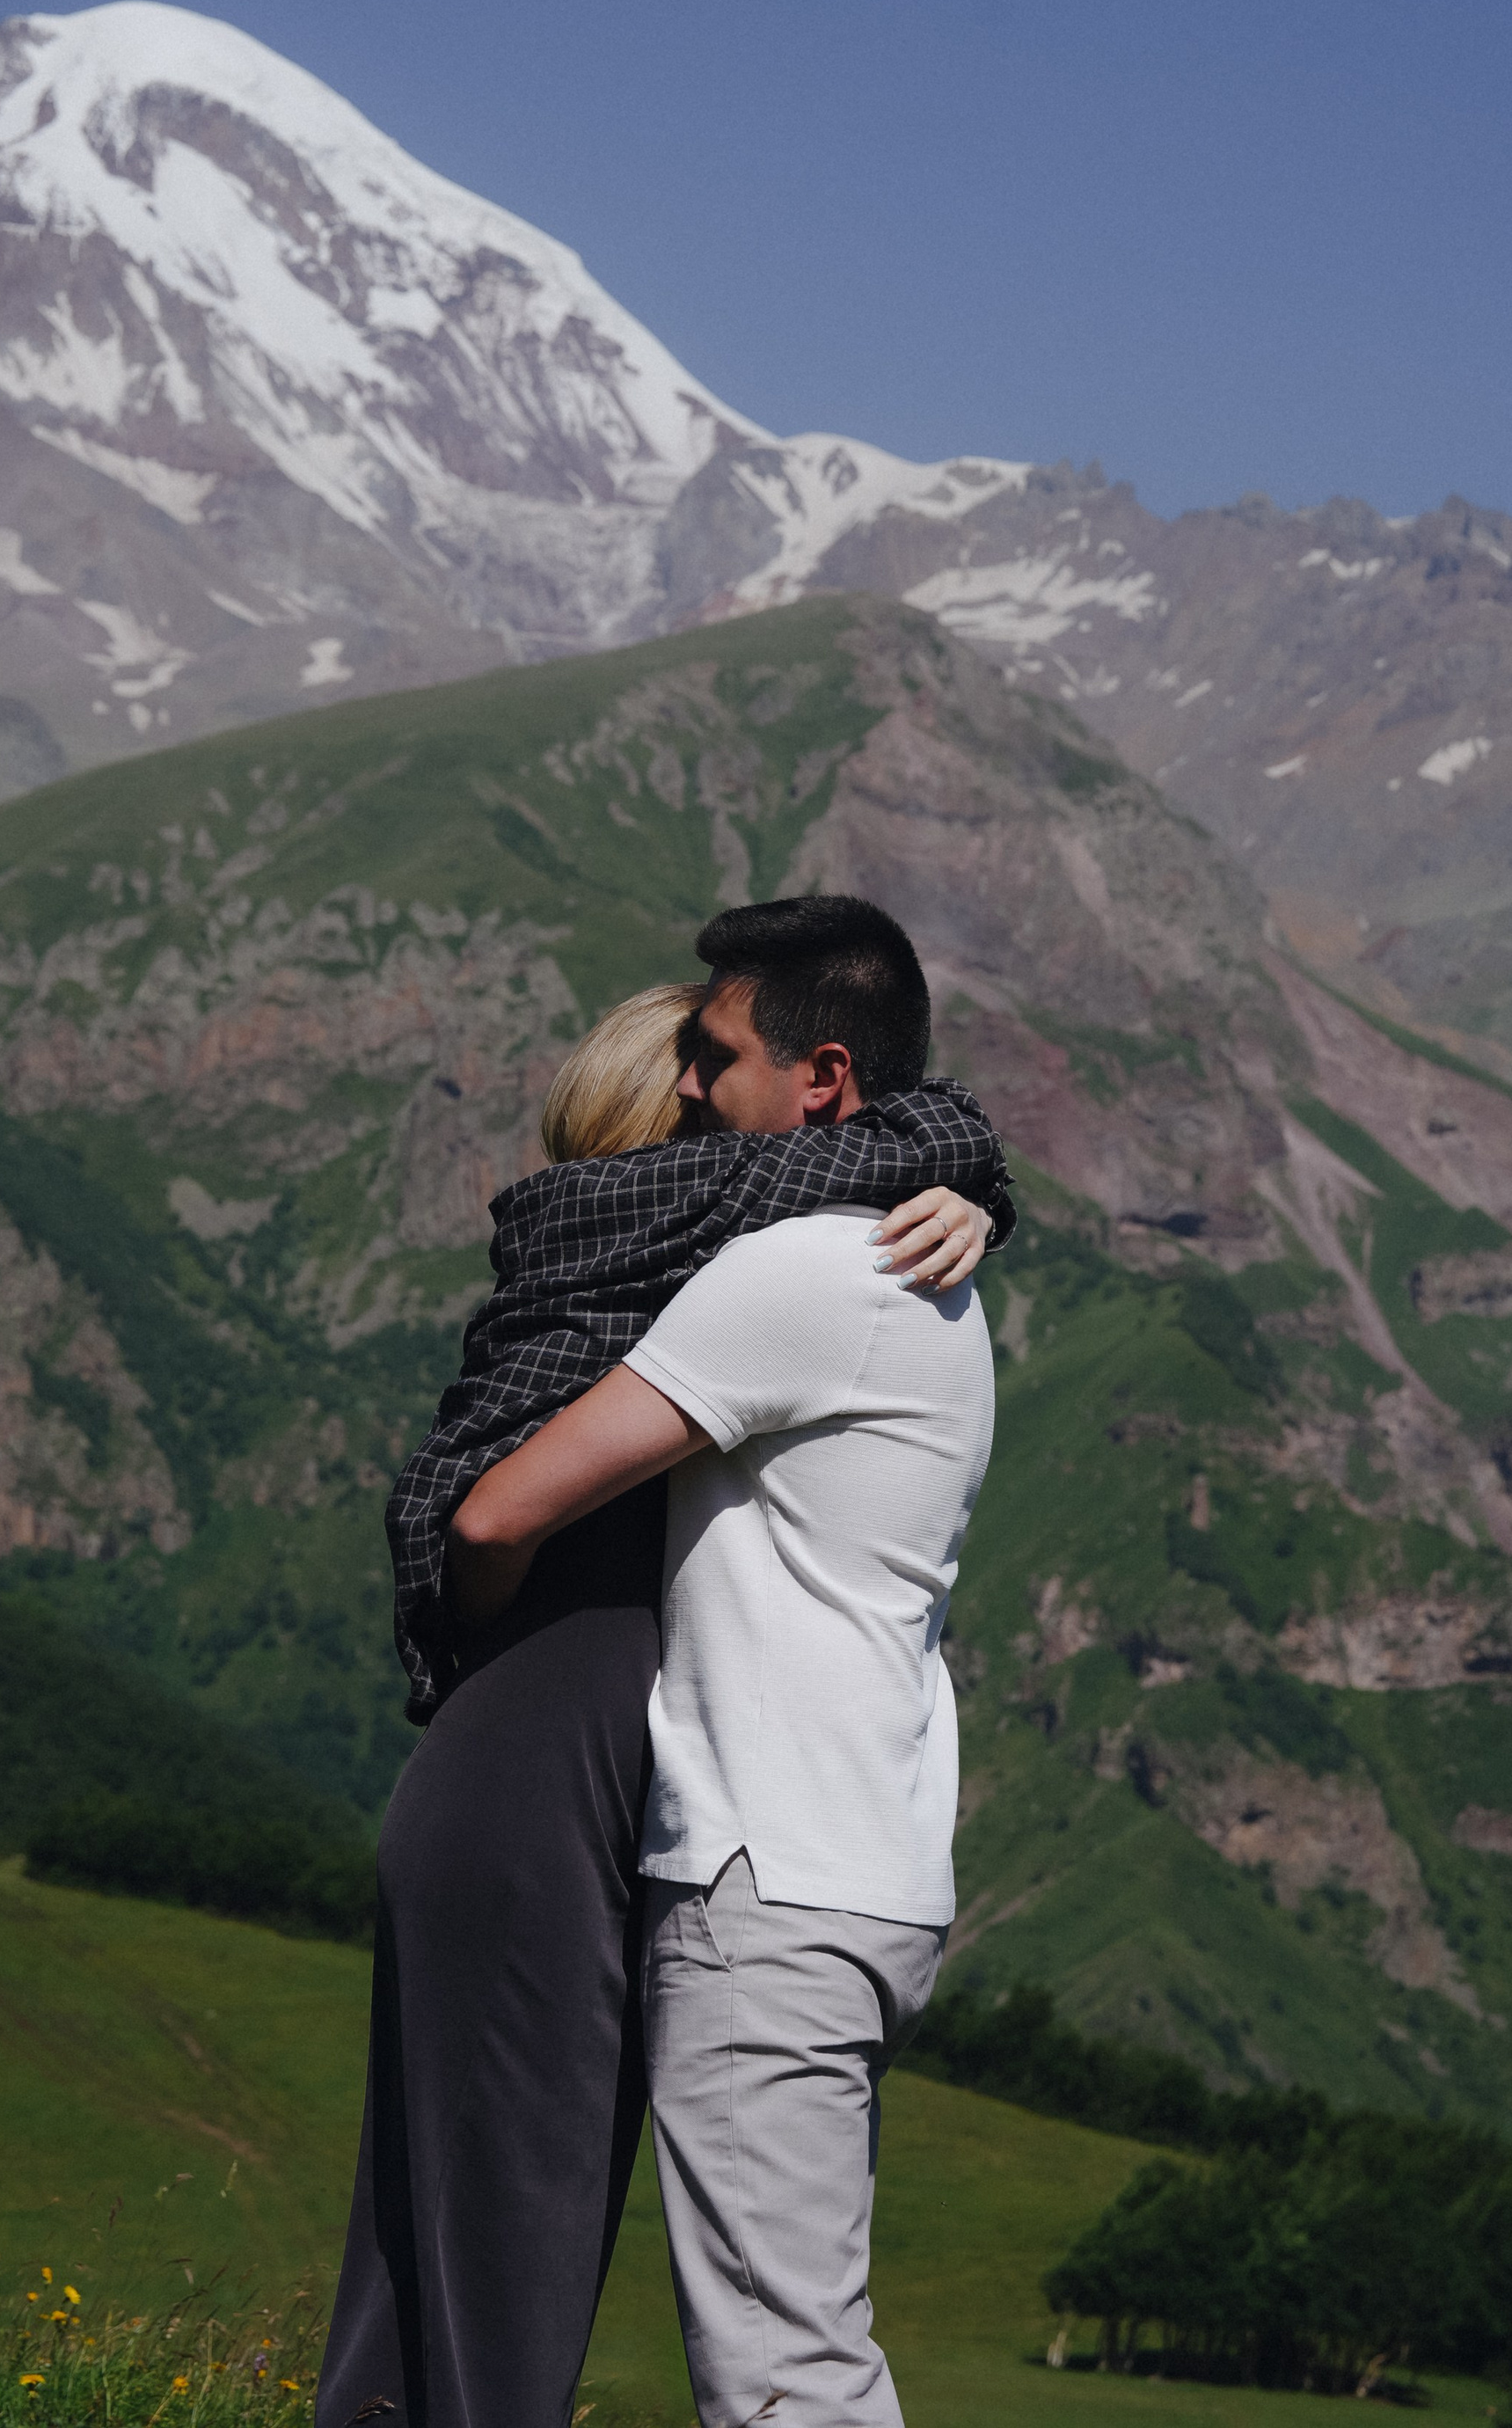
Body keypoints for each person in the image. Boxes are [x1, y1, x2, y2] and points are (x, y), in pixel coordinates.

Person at [315, 932, 1013, 2428]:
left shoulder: (785, 1257)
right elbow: (484, 1511)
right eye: (688, 1074)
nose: (704, 1086)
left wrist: (965, 1180)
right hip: (625, 1783)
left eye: (718, 1066)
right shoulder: (773, 1254)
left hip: (658, 1804)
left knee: (493, 2215)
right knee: (555, 2225)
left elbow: (482, 1516)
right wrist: (968, 1182)